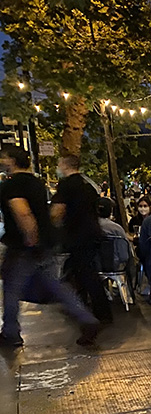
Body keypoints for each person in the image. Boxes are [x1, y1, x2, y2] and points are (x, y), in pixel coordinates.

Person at [0, 146, 100, 347]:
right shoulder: (37, 183)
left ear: (12, 160)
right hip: (45, 243)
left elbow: (23, 213)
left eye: (3, 157)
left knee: (11, 288)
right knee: (56, 285)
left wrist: (31, 239)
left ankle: (10, 332)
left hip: (23, 246)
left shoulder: (12, 185)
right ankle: (86, 318)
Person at [51, 155, 113, 325]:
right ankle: (89, 308)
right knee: (82, 272)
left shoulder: (66, 185)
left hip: (77, 236)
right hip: (91, 233)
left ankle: (97, 312)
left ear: (65, 165)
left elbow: (57, 211)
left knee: (84, 273)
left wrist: (50, 227)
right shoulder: (88, 185)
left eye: (59, 164)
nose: (58, 167)